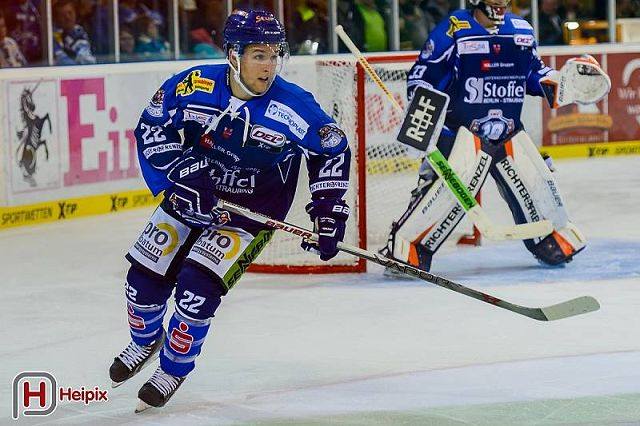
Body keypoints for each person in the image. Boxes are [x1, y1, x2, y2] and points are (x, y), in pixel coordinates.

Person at [108, 9, 351, 411]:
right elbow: (152, 126)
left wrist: (328, 212)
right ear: (233, 55)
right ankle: (145, 341)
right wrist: (182, 173)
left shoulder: (293, 105)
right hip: (191, 194)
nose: (269, 66)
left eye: (274, 54)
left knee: (195, 291)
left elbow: (331, 149)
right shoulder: (194, 85)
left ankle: (172, 369)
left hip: (248, 213)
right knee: (142, 280)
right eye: (259, 55)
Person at [380, 0, 589, 273]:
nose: (501, 3)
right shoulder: (455, 28)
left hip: (508, 132)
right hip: (459, 133)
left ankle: (550, 239)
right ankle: (407, 248)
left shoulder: (521, 29)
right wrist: (421, 116)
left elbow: (532, 72)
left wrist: (560, 82)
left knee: (536, 184)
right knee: (443, 196)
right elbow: (424, 75)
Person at [53, 0, 96, 65]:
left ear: (75, 13)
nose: (67, 17)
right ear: (56, 19)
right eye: (62, 15)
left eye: (70, 13)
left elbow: (86, 58)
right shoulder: (53, 37)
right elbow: (60, 59)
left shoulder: (79, 31)